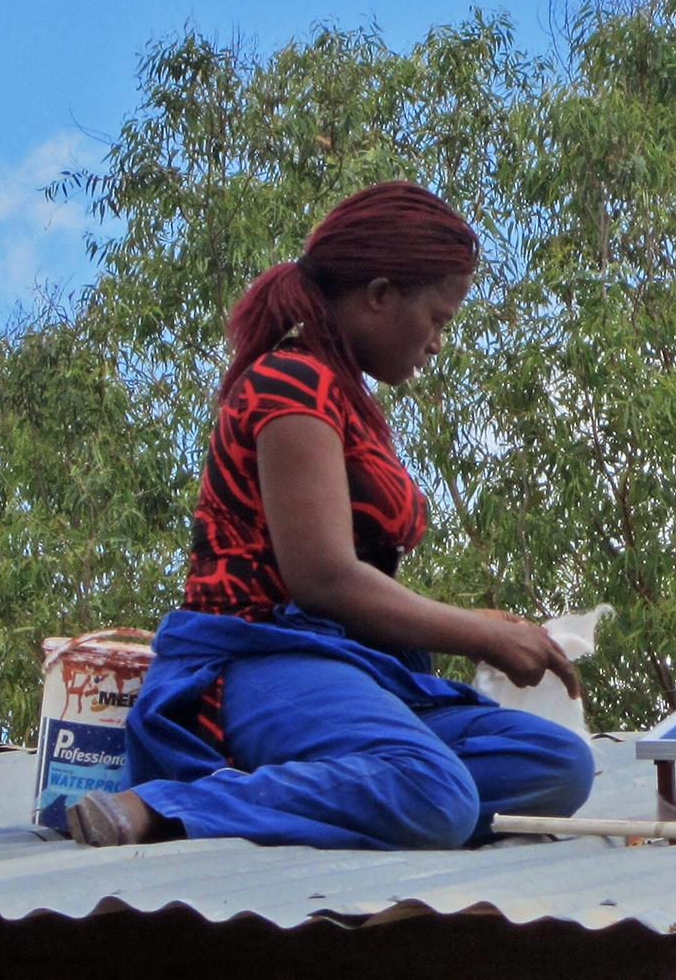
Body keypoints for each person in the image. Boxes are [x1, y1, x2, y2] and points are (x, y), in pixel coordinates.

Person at [66, 182, 597, 850]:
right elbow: (324, 579)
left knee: (557, 763)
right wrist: (478, 637)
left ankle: (332, 793)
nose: (438, 342)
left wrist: (479, 622)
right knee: (436, 792)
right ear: (380, 295)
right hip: (257, 665)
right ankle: (169, 804)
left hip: (345, 668)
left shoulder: (346, 399)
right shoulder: (291, 384)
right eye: (437, 318)